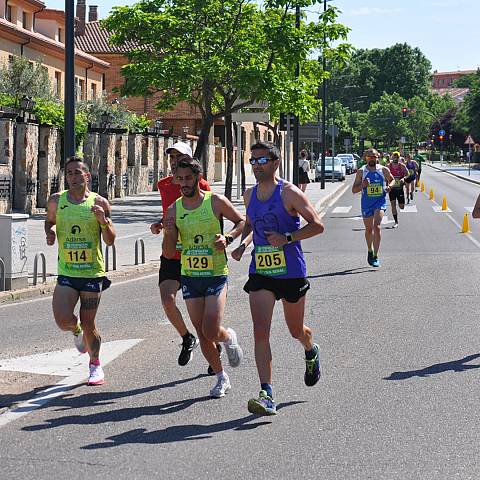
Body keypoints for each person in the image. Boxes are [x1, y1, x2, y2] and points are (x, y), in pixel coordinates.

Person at [231, 141, 324, 416]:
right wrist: (242, 244)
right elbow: (251, 223)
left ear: (275, 163)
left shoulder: (290, 193)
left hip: (291, 271)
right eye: (253, 161)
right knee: (261, 331)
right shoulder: (249, 195)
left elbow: (318, 225)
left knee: (296, 330)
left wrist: (287, 238)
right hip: (261, 271)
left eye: (261, 160)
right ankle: (267, 392)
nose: (256, 166)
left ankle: (310, 348)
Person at [162, 158, 245, 398]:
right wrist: (169, 230)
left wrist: (228, 238)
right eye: (180, 178)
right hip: (190, 275)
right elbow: (169, 253)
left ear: (198, 177)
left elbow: (241, 221)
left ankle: (228, 336)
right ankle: (221, 377)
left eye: (188, 178)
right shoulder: (174, 210)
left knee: (210, 329)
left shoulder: (215, 201)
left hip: (216, 274)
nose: (184, 183)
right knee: (201, 332)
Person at [45, 157, 116, 386]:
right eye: (69, 173)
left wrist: (102, 221)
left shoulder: (100, 202)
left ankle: (95, 365)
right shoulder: (57, 201)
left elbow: (110, 239)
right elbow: (49, 221)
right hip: (67, 271)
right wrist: (50, 232)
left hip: (91, 273)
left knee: (90, 324)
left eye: (78, 173)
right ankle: (76, 332)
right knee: (62, 319)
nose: (74, 177)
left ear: (88, 176)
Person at [150, 143, 219, 373]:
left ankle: (214, 347)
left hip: (197, 254)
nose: (173, 160)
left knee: (203, 318)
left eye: (178, 156)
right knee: (167, 299)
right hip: (171, 253)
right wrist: (160, 225)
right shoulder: (163, 185)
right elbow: (170, 213)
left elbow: (210, 216)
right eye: (171, 157)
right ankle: (187, 338)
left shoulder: (202, 186)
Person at [352, 148, 394, 267]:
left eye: (374, 156)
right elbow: (354, 190)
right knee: (369, 230)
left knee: (377, 227)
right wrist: (363, 185)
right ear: (366, 158)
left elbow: (392, 180)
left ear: (378, 157)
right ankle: (369, 250)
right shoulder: (361, 172)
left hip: (379, 201)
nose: (372, 158)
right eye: (369, 156)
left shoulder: (384, 170)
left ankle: (375, 255)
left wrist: (389, 187)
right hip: (366, 203)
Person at [387, 153, 409, 228]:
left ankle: (401, 203)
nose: (395, 158)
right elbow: (384, 175)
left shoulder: (402, 166)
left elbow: (407, 174)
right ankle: (396, 222)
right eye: (394, 157)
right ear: (392, 157)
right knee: (393, 205)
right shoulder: (388, 166)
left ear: (399, 158)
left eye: (397, 157)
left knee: (401, 206)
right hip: (392, 189)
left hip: (399, 188)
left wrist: (403, 179)